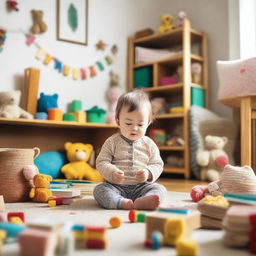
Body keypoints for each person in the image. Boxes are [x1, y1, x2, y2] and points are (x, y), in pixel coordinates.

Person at [93, 89, 167, 210]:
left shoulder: (149, 144)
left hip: (142, 187)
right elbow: (101, 162)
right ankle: (120, 202)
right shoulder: (112, 141)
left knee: (160, 189)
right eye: (128, 123)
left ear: (148, 123)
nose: (134, 128)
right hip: (115, 186)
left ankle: (144, 201)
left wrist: (148, 172)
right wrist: (111, 172)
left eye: (140, 124)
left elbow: (157, 164)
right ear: (118, 121)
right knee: (99, 190)